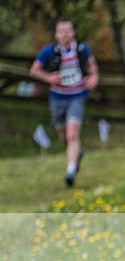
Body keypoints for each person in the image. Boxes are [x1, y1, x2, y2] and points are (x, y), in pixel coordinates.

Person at [29, 19, 99, 188]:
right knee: (64, 136)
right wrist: (49, 78)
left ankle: (71, 171)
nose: (65, 33)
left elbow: (93, 67)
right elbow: (34, 70)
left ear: (73, 33)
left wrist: (94, 77)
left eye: (68, 30)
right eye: (61, 31)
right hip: (57, 98)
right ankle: (77, 154)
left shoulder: (82, 50)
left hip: (77, 96)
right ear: (56, 34)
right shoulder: (49, 51)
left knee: (72, 134)